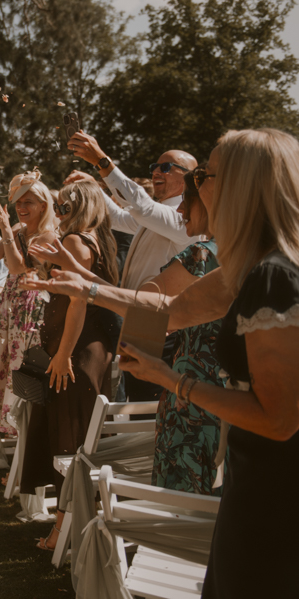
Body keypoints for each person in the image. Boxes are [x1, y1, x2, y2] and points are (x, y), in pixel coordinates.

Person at [24, 128, 299, 598]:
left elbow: (278, 420)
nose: (197, 184)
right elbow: (169, 311)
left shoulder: (275, 276)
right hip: (249, 470)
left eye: (206, 174)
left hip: (275, 487)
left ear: (241, 187)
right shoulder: (248, 266)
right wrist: (87, 288)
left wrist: (172, 380)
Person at [32, 169, 226, 497]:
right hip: (208, 392)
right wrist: (80, 274)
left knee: (183, 499)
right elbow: (148, 307)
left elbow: (153, 310)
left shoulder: (204, 255)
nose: (180, 209)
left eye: (188, 201)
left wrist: (86, 286)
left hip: (191, 393)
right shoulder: (234, 256)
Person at [17, 180, 119, 551]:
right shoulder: (99, 240)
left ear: (80, 207)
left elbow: (78, 303)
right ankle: (76, 525)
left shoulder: (76, 242)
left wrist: (62, 354)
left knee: (71, 438)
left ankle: (65, 532)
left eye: (63, 206)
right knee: (79, 436)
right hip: (88, 347)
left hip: (75, 350)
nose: (58, 213)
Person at [66, 132, 200, 404]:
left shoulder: (183, 218)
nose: (156, 172)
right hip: (138, 318)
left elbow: (142, 207)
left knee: (150, 400)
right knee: (136, 395)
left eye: (166, 167)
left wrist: (102, 162)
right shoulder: (157, 214)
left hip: (160, 323)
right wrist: (94, 187)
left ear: (189, 179)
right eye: (155, 167)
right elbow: (118, 217)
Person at [0, 170, 58, 434]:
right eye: (19, 202)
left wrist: (5, 230)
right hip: (9, 305)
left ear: (43, 206)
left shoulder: (47, 236)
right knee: (3, 360)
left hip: (30, 308)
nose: (21, 208)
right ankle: (9, 423)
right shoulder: (17, 229)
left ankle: (24, 424)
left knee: (21, 362)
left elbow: (17, 267)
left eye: (28, 202)